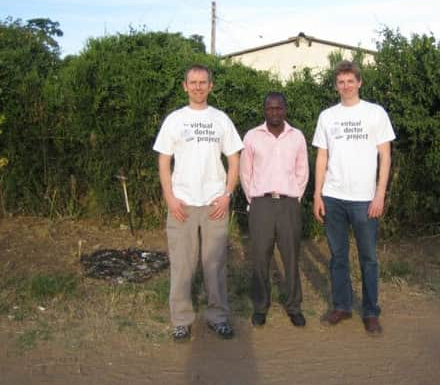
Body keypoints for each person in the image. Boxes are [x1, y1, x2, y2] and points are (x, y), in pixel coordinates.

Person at [153, 64, 243, 342]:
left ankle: (218, 317)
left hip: (214, 203)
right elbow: (164, 161)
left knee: (214, 264)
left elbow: (234, 159)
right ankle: (181, 319)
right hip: (182, 204)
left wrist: (227, 194)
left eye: (203, 82)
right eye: (193, 82)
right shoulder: (174, 120)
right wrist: (170, 198)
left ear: (211, 86)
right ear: (185, 86)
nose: (198, 87)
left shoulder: (221, 119)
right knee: (182, 265)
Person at [312, 60, 395, 336]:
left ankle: (371, 311)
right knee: (338, 257)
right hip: (333, 197)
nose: (345, 86)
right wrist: (317, 194)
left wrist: (379, 194)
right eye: (341, 82)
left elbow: (385, 155)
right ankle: (342, 306)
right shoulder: (327, 116)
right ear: (336, 85)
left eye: (350, 81)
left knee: (368, 257)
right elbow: (322, 156)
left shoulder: (375, 113)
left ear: (359, 82)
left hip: (364, 199)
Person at [240, 92, 309, 328]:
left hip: (289, 203)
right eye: (270, 108)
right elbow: (245, 172)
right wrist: (254, 199)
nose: (275, 112)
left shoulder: (297, 137)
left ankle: (294, 306)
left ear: (285, 110)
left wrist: (294, 196)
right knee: (260, 257)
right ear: (264, 110)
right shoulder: (252, 136)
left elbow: (302, 171)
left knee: (291, 257)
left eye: (279, 108)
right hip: (261, 203)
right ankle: (260, 307)